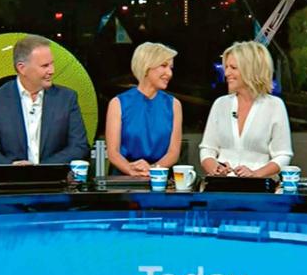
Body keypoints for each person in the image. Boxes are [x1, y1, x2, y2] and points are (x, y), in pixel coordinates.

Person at [0, 34, 89, 166]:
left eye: (52, 64)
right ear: (22, 68)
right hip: (12, 182)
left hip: (54, 182)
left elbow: (79, 147)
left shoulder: (66, 98)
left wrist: (40, 170)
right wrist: (14, 168)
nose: (52, 71)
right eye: (45, 66)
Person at [199, 41, 293, 177]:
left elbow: (283, 155)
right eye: (226, 67)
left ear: (250, 70)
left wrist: (255, 174)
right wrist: (215, 168)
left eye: (233, 68)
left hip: (259, 188)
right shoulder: (221, 104)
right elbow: (207, 149)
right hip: (222, 185)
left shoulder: (274, 106)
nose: (226, 73)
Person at [105, 42, 182, 176]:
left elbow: (173, 153)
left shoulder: (174, 105)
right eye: (163, 66)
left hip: (160, 177)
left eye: (171, 68)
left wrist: (152, 170)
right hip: (124, 178)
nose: (169, 73)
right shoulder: (118, 103)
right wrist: (131, 169)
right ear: (146, 67)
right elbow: (113, 152)